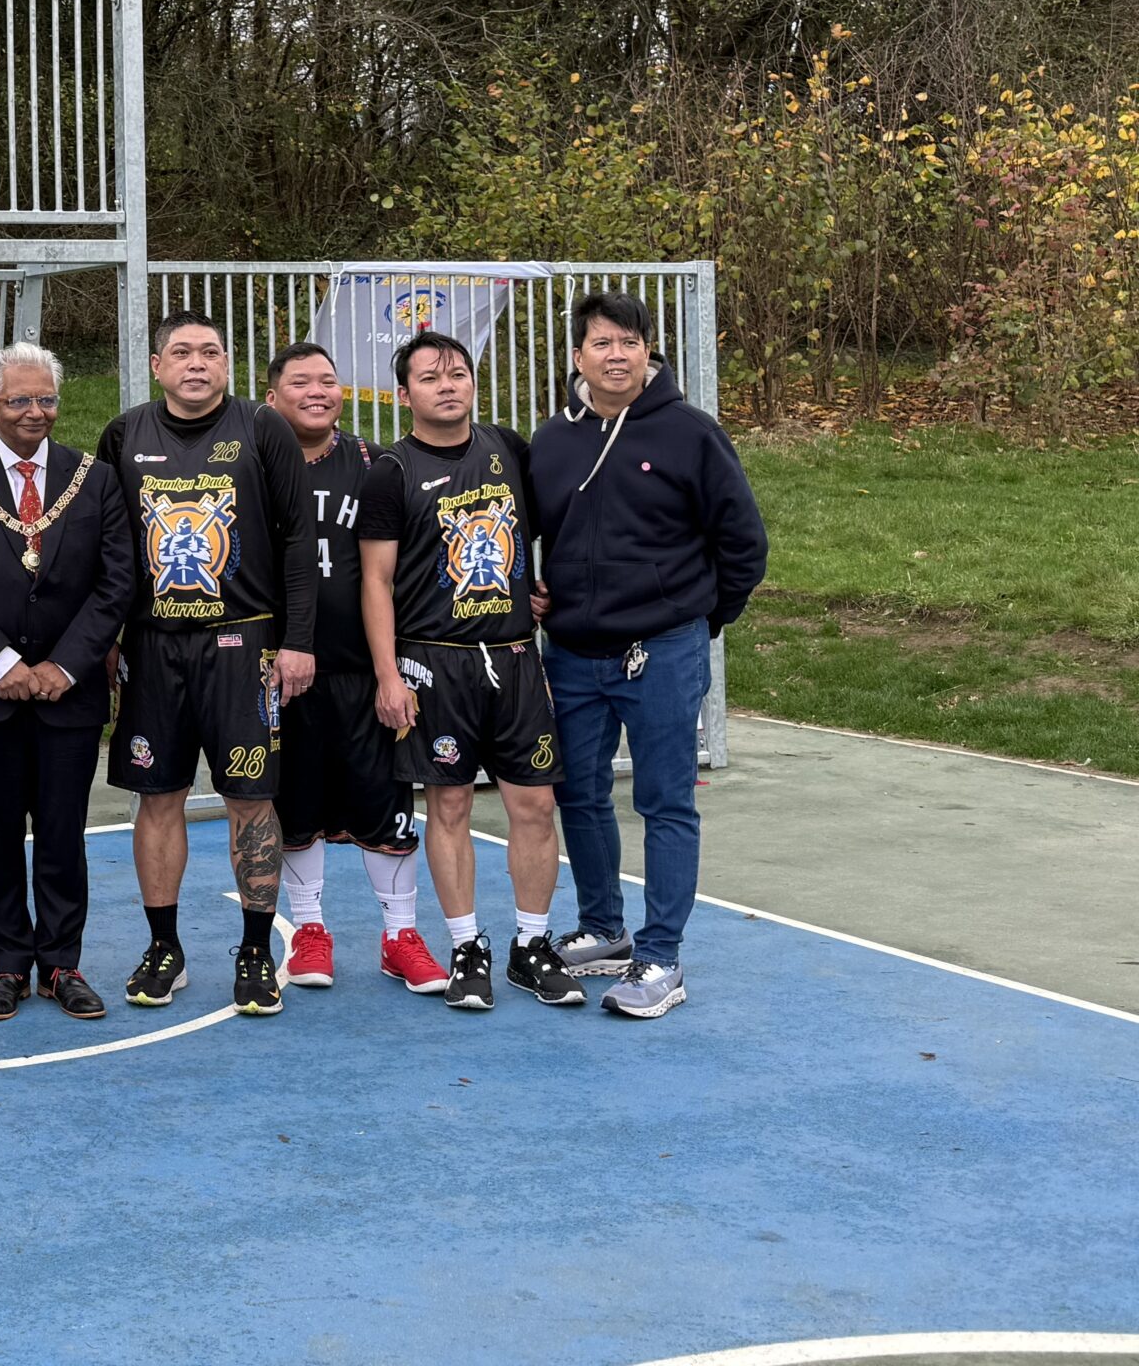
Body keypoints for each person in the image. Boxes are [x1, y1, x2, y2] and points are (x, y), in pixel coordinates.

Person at [530, 290, 769, 1019]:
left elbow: (744, 545)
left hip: (662, 650)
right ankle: (603, 928)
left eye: (629, 342)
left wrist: (696, 619)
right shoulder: (552, 440)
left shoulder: (690, 434)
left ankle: (661, 958)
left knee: (665, 801)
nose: (616, 355)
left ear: (648, 353)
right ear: (579, 357)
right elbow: (526, 534)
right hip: (571, 651)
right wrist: (532, 592)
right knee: (579, 792)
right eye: (602, 343)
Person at [94, 311, 318, 1017]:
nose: (198, 363)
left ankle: (255, 952)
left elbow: (297, 541)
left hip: (242, 644)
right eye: (182, 353)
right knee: (156, 797)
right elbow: (107, 548)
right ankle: (166, 946)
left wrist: (299, 640)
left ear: (228, 364)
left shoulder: (261, 428)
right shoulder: (125, 435)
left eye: (211, 352)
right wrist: (104, 636)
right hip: (153, 647)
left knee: (250, 800)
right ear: (157, 365)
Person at [356, 330, 582, 1013]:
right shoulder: (390, 471)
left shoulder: (508, 449)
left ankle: (531, 946)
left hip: (513, 658)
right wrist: (388, 676)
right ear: (405, 395)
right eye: (430, 376)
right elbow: (375, 579)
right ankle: (466, 946)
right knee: (448, 805)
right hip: (435, 663)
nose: (447, 384)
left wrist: (537, 589)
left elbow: (535, 535)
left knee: (535, 806)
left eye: (457, 372)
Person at [0, 341, 131, 1021]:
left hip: (69, 688)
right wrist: (2, 663)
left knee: (65, 833)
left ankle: (62, 963)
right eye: (20, 400)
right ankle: (6, 965)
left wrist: (64, 664)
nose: (35, 412)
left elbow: (117, 579)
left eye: (45, 399)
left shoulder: (93, 476)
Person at [261, 343, 447, 998]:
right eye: (301, 381)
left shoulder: (373, 465)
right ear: (272, 396)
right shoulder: (258, 466)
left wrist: (394, 667)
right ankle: (310, 929)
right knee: (297, 805)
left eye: (329, 380)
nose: (318, 390)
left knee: (384, 804)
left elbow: (400, 568)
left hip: (365, 671)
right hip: (283, 671)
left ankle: (400, 936)